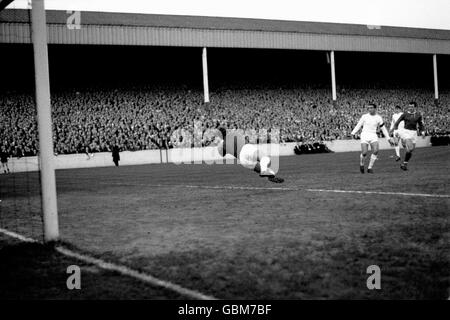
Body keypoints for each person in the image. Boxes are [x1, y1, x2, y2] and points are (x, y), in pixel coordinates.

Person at [216, 128, 284, 183]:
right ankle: (265, 171)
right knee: (265, 158)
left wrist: (221, 143)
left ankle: (271, 176)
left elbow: (222, 154)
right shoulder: (234, 133)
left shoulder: (223, 145)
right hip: (246, 148)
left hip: (242, 160)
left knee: (260, 168)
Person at [351, 103, 393, 174]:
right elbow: (359, 125)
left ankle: (370, 168)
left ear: (375, 109)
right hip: (364, 134)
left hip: (373, 135)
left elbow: (383, 129)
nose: (369, 109)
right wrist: (353, 133)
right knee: (364, 153)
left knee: (376, 151)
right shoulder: (364, 116)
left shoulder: (378, 118)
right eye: (368, 108)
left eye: (371, 108)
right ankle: (362, 164)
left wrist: (388, 138)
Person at [391, 101, 425, 171]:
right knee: (410, 147)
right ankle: (405, 141)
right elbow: (397, 122)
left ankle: (404, 164)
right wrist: (396, 130)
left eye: (412, 107)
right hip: (406, 132)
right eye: (409, 106)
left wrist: (423, 131)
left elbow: (421, 124)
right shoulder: (405, 114)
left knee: (410, 150)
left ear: (415, 107)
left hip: (414, 133)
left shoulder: (418, 115)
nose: (410, 108)